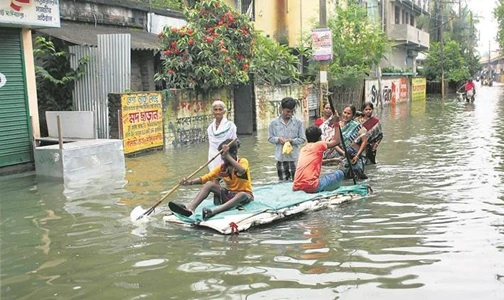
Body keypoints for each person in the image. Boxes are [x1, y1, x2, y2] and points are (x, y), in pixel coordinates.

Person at [169, 139, 253, 220]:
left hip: (245, 196)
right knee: (209, 184)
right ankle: (190, 209)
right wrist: (189, 182)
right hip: (230, 195)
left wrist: (227, 155)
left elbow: (242, 170)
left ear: (234, 153)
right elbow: (206, 178)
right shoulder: (222, 168)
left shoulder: (242, 161)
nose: (222, 158)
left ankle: (213, 212)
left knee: (241, 194)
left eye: (224, 155)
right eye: (222, 155)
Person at [293, 115, 345, 193]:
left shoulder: (303, 149)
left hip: (296, 186)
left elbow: (313, 162)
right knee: (340, 173)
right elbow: (336, 141)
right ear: (319, 138)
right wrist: (336, 123)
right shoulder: (319, 145)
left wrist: (333, 160)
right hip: (311, 186)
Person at [268, 97, 306, 181]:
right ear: (282, 108)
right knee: (282, 182)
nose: (290, 114)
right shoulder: (274, 123)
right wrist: (278, 139)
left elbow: (303, 139)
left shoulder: (298, 122)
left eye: (292, 111)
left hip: (294, 158)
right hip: (281, 158)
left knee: (297, 181)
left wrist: (292, 141)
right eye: (288, 111)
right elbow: (270, 138)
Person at [333, 105, 368, 180]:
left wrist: (357, 156)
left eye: (348, 114)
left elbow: (364, 141)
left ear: (353, 115)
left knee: (357, 177)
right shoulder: (337, 125)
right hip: (342, 157)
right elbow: (334, 143)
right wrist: (343, 153)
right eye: (344, 112)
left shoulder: (357, 126)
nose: (346, 115)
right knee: (342, 178)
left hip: (355, 157)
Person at [207, 100, 237, 171]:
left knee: (227, 177)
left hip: (227, 156)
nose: (218, 112)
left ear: (224, 111)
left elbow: (234, 142)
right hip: (213, 157)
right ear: (212, 112)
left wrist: (227, 151)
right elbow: (212, 146)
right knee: (214, 177)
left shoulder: (231, 126)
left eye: (220, 109)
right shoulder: (210, 128)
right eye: (215, 110)